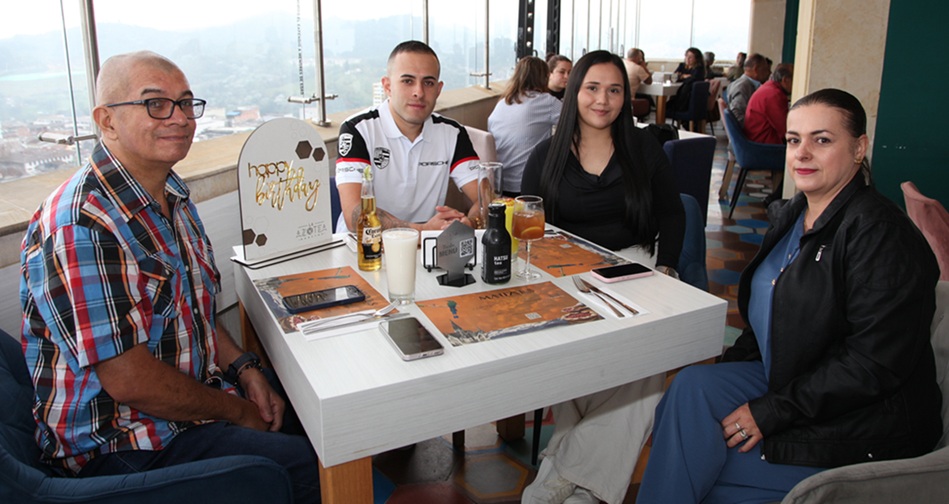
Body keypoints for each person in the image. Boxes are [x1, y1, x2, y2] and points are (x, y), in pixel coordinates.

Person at [18, 51, 320, 503]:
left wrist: (244, 367)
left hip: (187, 403)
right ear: (107, 120)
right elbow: (129, 379)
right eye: (156, 104)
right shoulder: (83, 224)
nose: (179, 118)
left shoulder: (171, 193)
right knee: (315, 467)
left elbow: (189, 311)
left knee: (321, 417)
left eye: (185, 102)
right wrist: (238, 412)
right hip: (122, 441)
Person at [637, 88, 943, 503]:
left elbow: (873, 365)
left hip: (866, 417)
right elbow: (770, 318)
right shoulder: (794, 213)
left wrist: (770, 411)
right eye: (794, 140)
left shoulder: (881, 235)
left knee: (707, 464)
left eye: (822, 140)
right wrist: (731, 374)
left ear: (859, 148)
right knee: (690, 390)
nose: (802, 153)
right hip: (793, 374)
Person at [519, 50, 685, 504]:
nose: (603, 99)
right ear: (574, 92)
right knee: (578, 356)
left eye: (615, 90)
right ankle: (586, 481)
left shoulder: (644, 148)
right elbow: (526, 220)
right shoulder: (546, 154)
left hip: (635, 267)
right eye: (592, 88)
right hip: (564, 274)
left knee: (642, 356)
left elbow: (672, 212)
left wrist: (667, 266)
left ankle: (560, 475)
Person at [335, 40, 481, 232]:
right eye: (407, 81)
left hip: (425, 247)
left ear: (438, 90)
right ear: (387, 86)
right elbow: (354, 215)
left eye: (428, 83)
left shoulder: (452, 133)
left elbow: (485, 197)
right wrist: (420, 231)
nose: (418, 92)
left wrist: (469, 223)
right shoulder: (357, 130)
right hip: (365, 248)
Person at [487, 56, 562, 196]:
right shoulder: (547, 102)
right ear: (545, 77)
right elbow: (573, 123)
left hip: (500, 182)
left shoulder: (503, 103)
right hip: (526, 183)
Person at [745, 63, 794, 145]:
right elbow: (786, 129)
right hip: (764, 146)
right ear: (785, 80)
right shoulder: (775, 95)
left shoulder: (768, 87)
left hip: (755, 141)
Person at [726, 52, 772, 126]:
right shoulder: (743, 87)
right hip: (750, 133)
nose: (769, 73)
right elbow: (737, 115)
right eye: (766, 69)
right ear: (756, 70)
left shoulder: (748, 84)